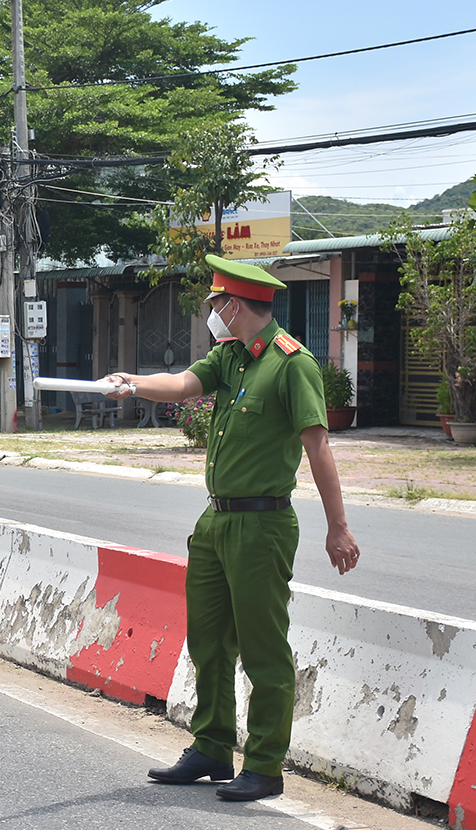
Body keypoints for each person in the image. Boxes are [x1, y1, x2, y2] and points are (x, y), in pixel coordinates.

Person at [101, 254, 360, 803]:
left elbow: (319, 446)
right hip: (216, 519)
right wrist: (132, 383)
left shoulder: (292, 364)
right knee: (208, 641)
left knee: (263, 647)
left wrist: (338, 526)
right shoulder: (232, 358)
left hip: (261, 525)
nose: (214, 311)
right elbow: (180, 384)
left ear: (235, 305)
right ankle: (212, 747)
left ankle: (264, 764)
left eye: (217, 303)